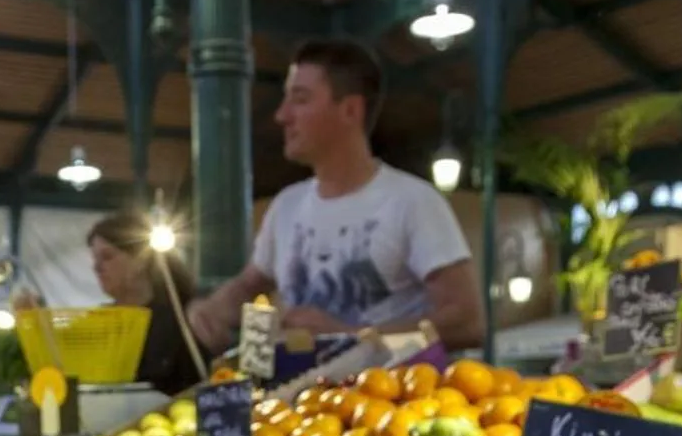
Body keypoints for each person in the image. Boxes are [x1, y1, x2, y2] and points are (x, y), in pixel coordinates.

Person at [186, 38, 484, 351]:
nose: (282, 116)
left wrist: (351, 335)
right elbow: (249, 284)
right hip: (298, 397)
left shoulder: (413, 202)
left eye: (300, 100)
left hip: (387, 395)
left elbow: (467, 322)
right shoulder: (286, 205)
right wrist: (210, 309)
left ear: (350, 110)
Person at [86, 212, 207, 395]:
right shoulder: (97, 321)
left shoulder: (180, 320)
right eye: (95, 259)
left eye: (107, 257)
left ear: (140, 261)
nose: (96, 267)